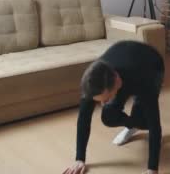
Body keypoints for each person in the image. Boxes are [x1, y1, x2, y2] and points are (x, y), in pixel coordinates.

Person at [63, 41, 164, 174]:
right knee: (108, 116)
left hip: (151, 63)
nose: (102, 104)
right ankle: (133, 125)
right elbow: (83, 118)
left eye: (105, 99)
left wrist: (152, 169)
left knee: (146, 122)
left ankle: (137, 121)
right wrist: (79, 159)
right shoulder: (94, 79)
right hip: (122, 59)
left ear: (116, 81)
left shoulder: (143, 80)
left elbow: (155, 124)